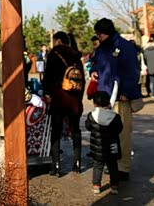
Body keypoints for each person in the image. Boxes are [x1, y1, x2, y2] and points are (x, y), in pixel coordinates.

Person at [90, 18, 141, 181]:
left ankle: (123, 167)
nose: (98, 36)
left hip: (120, 98)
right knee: (106, 134)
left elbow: (133, 71)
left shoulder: (125, 47)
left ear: (107, 32)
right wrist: (93, 70)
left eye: (99, 33)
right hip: (104, 98)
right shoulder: (101, 48)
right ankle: (110, 164)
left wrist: (126, 92)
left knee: (122, 133)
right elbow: (95, 63)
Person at [42, 31, 84, 176]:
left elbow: (47, 76)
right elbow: (81, 79)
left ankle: (56, 165)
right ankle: (77, 163)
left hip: (59, 97)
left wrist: (47, 93)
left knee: (56, 131)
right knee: (75, 130)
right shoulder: (76, 55)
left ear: (58, 40)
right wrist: (79, 97)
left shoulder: (54, 54)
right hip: (74, 98)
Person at [86, 91, 123, 196]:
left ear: (95, 104)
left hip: (98, 148)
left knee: (98, 165)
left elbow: (88, 127)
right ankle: (114, 186)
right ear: (108, 103)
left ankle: (96, 186)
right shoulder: (114, 116)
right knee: (113, 166)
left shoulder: (91, 116)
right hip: (112, 146)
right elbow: (119, 128)